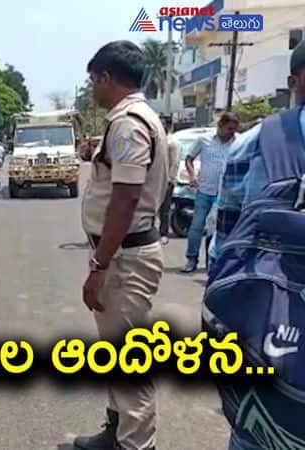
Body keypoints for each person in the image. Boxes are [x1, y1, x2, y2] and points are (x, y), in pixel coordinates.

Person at [210, 41, 305, 450]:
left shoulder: (259, 143)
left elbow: (225, 251)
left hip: (270, 339)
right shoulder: (252, 142)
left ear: (293, 82)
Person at [75, 40, 168, 450]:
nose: (92, 88)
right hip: (123, 253)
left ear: (106, 78)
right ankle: (115, 433)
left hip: (125, 259)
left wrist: (99, 266)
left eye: (93, 80)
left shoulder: (129, 122)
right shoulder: (132, 119)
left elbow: (126, 199)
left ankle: (135, 445)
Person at [179, 112, 239, 273]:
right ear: (220, 126)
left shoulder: (239, 142)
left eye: (234, 129)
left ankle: (211, 263)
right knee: (197, 226)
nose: (231, 132)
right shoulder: (204, 139)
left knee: (217, 229)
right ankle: (191, 259)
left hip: (225, 193)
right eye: (229, 129)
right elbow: (189, 158)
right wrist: (192, 176)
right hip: (205, 190)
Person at [157, 115, 180, 245]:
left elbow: (175, 163)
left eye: (163, 124)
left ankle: (163, 234)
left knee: (164, 209)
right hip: (155, 180)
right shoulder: (157, 140)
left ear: (168, 126)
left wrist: (169, 180)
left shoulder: (172, 142)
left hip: (166, 181)